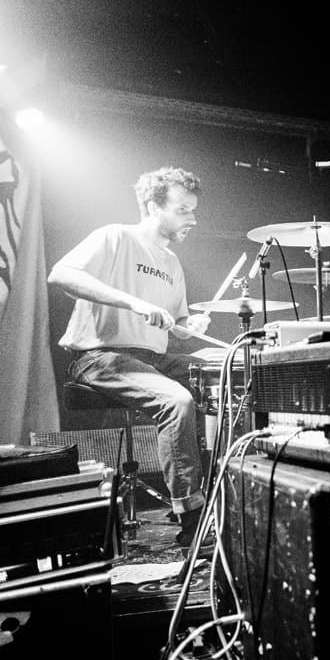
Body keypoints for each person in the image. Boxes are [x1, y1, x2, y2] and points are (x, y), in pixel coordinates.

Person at [48, 166, 212, 550]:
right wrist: (134, 302)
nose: (192, 218)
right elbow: (61, 275)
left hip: (153, 358)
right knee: (177, 401)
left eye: (192, 209)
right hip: (100, 355)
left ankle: (219, 493)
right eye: (183, 209)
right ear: (154, 206)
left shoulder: (171, 262)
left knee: (227, 377)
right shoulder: (115, 236)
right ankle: (191, 519)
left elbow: (177, 327)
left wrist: (189, 325)